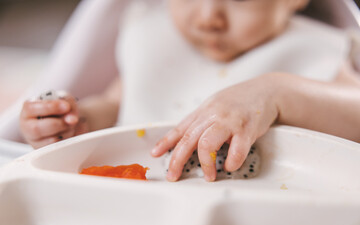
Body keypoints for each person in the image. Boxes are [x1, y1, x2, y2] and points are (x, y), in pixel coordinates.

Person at [17, 0, 360, 182]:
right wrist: (71, 122)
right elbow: (116, 105)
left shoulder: (318, 49)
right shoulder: (152, 38)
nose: (209, 16)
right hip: (136, 198)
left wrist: (277, 93)